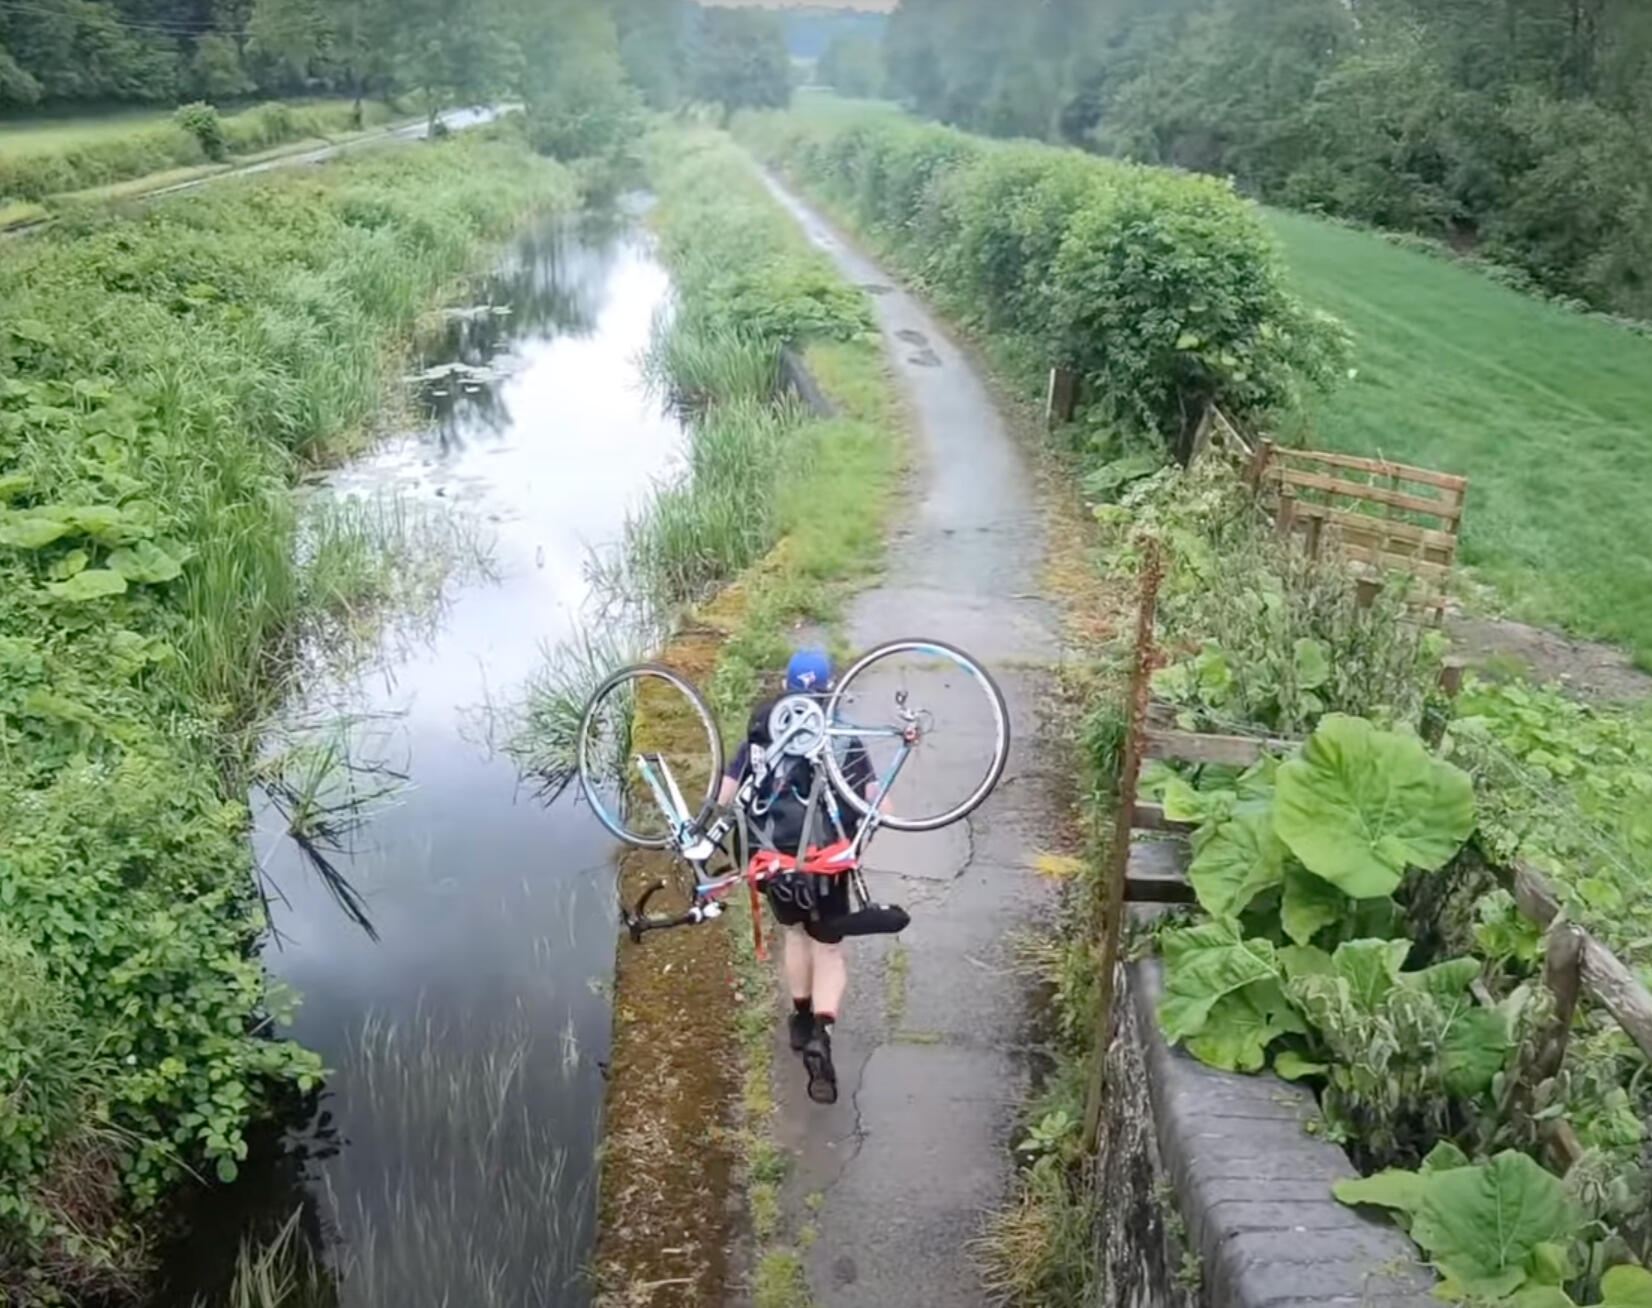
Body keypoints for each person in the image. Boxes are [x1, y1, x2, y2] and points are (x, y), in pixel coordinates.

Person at [717, 648, 879, 1106]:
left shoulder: (763, 728)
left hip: (775, 862)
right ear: (829, 689)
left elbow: (726, 797)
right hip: (829, 862)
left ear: (787, 686)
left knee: (794, 935)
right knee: (828, 948)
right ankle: (821, 1036)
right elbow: (877, 807)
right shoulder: (845, 733)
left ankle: (800, 1018)